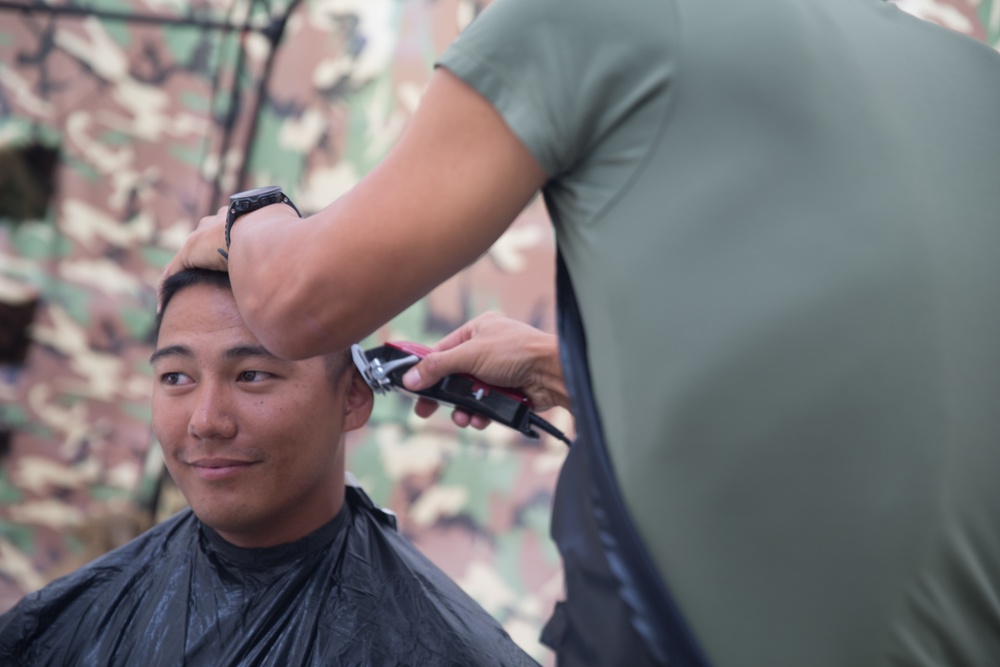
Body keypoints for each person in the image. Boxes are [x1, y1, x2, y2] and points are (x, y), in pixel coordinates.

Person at [162, 0, 1000, 665]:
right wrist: (566, 369)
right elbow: (878, 383)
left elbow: (302, 299)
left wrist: (243, 223)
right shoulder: (974, 78)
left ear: (349, 399)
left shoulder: (583, 14)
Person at [0, 268, 537, 667]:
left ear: (353, 396)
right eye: (176, 378)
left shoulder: (448, 650)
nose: (206, 421)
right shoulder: (62, 624)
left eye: (253, 375)